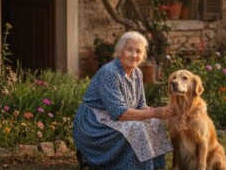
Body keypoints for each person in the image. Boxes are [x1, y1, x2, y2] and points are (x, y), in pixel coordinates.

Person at [73, 31, 173, 169]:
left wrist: (151, 112)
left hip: (114, 118)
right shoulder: (109, 72)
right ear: (119, 52)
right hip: (94, 124)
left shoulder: (137, 72)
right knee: (137, 127)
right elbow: (119, 113)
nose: (134, 55)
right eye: (129, 49)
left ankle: (154, 166)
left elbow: (140, 104)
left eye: (138, 51)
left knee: (154, 123)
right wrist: (154, 112)